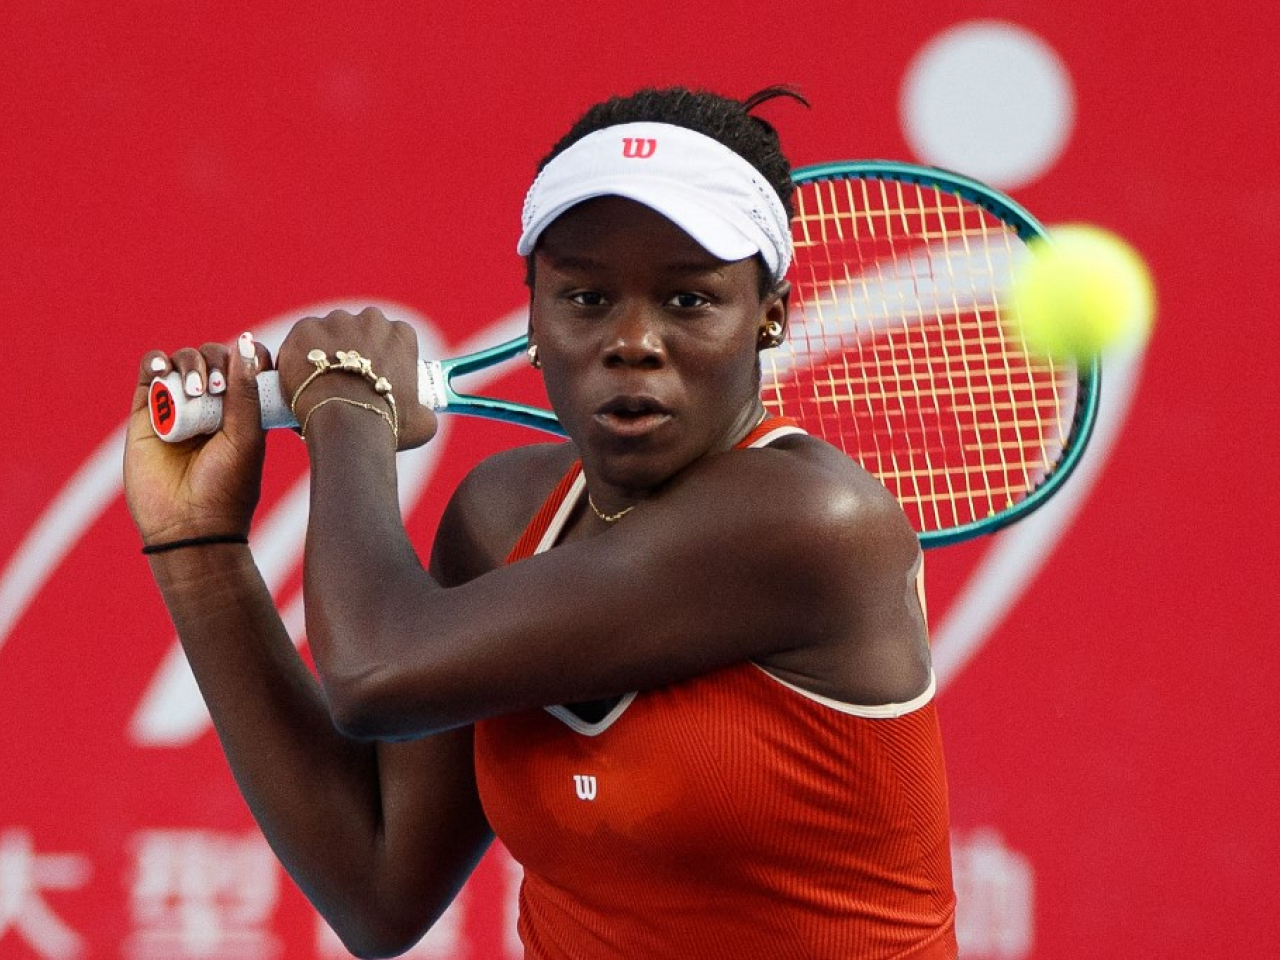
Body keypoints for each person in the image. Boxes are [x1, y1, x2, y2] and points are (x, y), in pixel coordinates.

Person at [124, 86, 957, 959]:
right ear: (533, 316)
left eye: (690, 300)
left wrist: (346, 406)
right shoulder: (500, 515)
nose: (634, 339)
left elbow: (374, 671)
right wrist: (199, 547)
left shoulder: (811, 522)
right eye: (587, 298)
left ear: (772, 317)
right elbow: (378, 890)